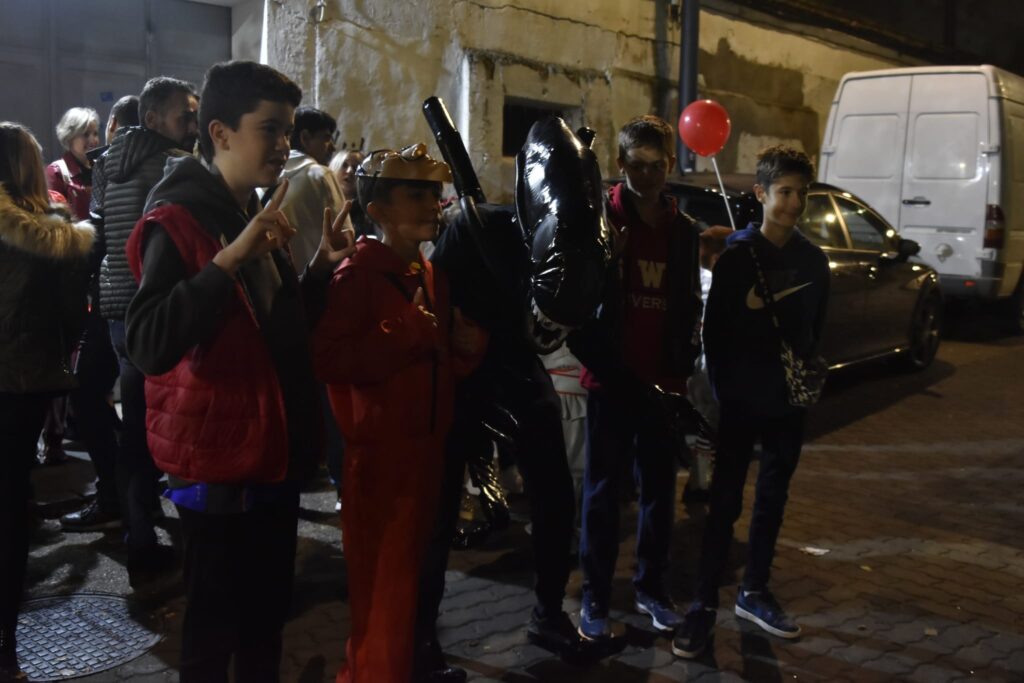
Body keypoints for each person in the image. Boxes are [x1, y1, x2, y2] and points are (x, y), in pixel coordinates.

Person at [124, 60, 353, 681]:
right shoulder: (177, 215)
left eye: (287, 132)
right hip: (220, 468)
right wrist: (227, 260)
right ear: (220, 133)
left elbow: (275, 326)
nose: (284, 145)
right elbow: (148, 342)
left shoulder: (248, 205)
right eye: (269, 129)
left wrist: (319, 271)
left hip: (270, 458)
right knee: (212, 634)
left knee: (264, 623)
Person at [312, 144, 485, 683]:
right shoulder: (357, 276)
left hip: (428, 455)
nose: (433, 204)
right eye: (416, 194)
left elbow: (437, 365)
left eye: (434, 193)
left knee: (411, 588)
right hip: (380, 463)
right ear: (378, 209)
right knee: (382, 597)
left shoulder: (428, 274)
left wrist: (465, 349)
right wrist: (405, 330)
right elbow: (329, 361)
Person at [672, 146, 830, 659]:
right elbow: (715, 336)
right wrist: (727, 395)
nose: (794, 204)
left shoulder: (814, 262)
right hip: (741, 404)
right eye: (785, 192)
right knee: (724, 504)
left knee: (772, 500)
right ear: (761, 194)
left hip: (788, 405)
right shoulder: (738, 260)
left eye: (801, 194)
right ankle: (702, 604)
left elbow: (814, 332)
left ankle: (754, 591)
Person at [567, 114, 702, 641]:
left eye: (656, 166)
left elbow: (687, 301)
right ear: (620, 163)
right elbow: (576, 295)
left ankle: (651, 589)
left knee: (659, 492)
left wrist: (682, 366)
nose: (646, 175)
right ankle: (596, 596)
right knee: (602, 493)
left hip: (662, 382)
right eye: (636, 165)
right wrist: (607, 261)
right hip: (611, 377)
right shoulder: (601, 220)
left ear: (670, 164)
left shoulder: (683, 230)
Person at [81, 77, 199, 580]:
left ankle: (139, 531)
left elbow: (102, 234)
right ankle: (183, 540)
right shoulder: (177, 166)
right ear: (152, 119)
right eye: (185, 116)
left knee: (135, 423)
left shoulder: (106, 163)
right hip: (159, 309)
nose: (193, 125)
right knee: (171, 420)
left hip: (119, 309)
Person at [0, 121, 94, 682]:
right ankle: (5, 644)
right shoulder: (54, 234)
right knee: (12, 501)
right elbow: (69, 316)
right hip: (24, 381)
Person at [47, 106, 100, 220]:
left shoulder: (101, 167)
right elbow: (54, 220)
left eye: (95, 134)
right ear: (69, 137)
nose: (93, 140)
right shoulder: (56, 172)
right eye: (85, 134)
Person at [329, 149, 376, 238]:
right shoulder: (324, 204)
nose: (349, 171)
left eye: (356, 167)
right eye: (344, 165)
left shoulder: (368, 213)